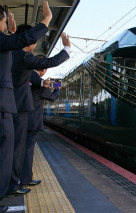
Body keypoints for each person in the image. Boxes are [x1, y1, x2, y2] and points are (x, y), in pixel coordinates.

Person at [0, 2, 52, 212]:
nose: (5, 25)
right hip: (5, 105)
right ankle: (6, 192)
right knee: (7, 151)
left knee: (8, 150)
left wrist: (11, 32)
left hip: (8, 105)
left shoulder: (7, 45)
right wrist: (46, 20)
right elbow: (23, 40)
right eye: (3, 21)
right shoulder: (19, 53)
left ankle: (9, 188)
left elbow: (11, 44)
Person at [8, 25, 71, 195]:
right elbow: (49, 62)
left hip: (12, 107)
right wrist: (67, 48)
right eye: (33, 40)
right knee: (18, 150)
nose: (34, 44)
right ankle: (13, 185)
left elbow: (35, 81)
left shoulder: (10, 54)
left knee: (13, 148)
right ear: (27, 40)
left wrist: (45, 83)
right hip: (20, 109)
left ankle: (15, 182)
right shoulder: (23, 57)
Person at [20, 56, 60, 186]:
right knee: (28, 151)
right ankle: (25, 179)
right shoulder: (38, 80)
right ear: (44, 69)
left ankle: (19, 178)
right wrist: (57, 88)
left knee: (20, 149)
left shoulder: (26, 75)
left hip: (22, 119)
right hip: (32, 121)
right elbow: (51, 97)